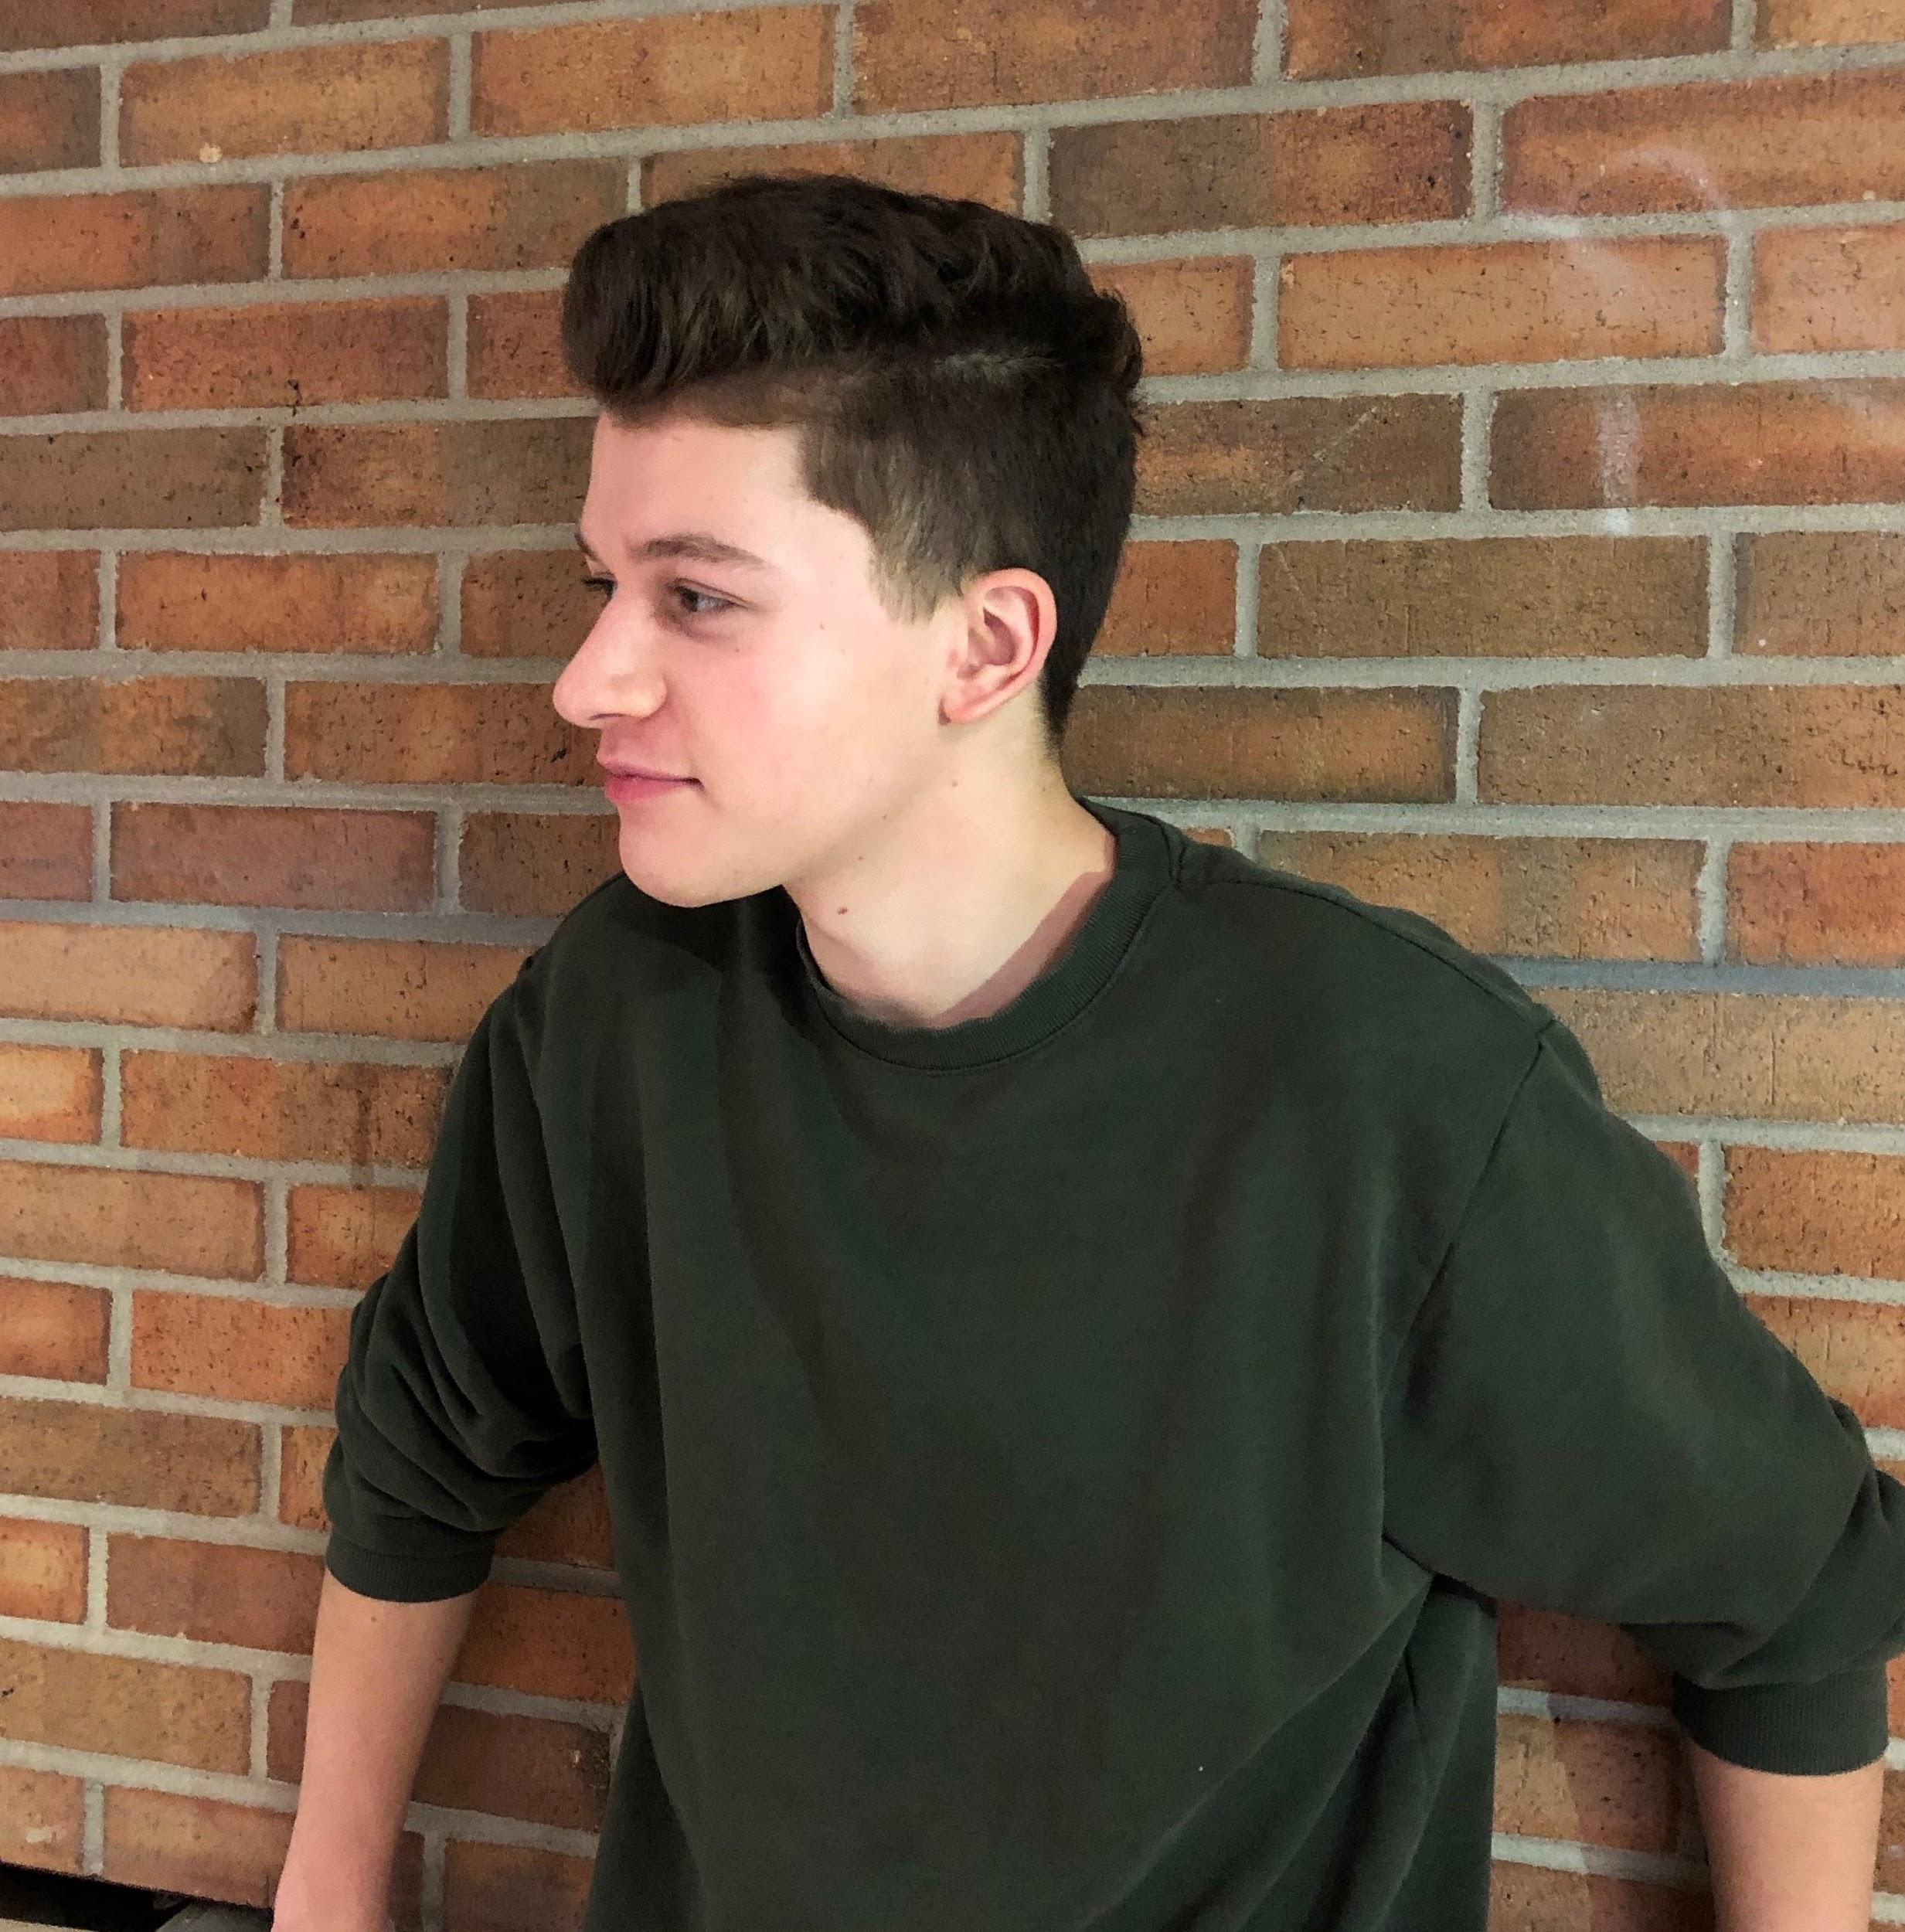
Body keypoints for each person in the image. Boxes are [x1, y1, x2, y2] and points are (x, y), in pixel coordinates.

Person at [274, 172, 1905, 1932]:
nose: (587, 680)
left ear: (986, 644)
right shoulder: (618, 1015)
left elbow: (1795, 1589)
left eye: (698, 599)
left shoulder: (1380, 1088)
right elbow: (424, 1444)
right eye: (605, 584)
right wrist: (325, 1891)